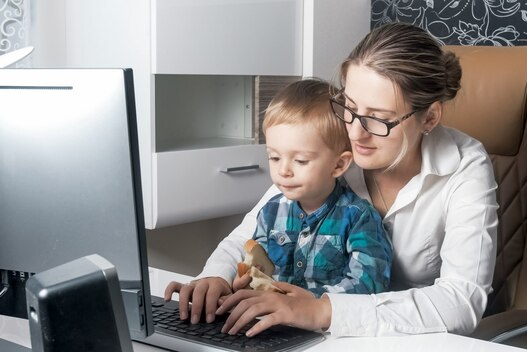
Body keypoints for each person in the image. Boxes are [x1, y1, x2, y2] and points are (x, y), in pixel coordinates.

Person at [165, 22, 498, 338]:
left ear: (429, 117)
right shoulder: (335, 145)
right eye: (349, 108)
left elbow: (462, 300)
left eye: (378, 120)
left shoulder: (465, 165)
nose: (355, 132)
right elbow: (248, 235)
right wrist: (213, 277)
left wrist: (323, 311)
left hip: (409, 338)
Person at [233, 78, 392, 298]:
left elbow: (369, 283)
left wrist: (313, 301)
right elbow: (259, 265)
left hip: (332, 327)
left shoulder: (358, 218)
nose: (284, 171)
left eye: (300, 161)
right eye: (274, 157)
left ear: (338, 165)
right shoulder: (270, 212)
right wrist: (249, 278)